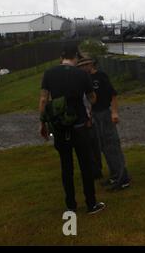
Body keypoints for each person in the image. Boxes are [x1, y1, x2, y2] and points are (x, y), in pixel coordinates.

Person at [39, 45, 106, 214]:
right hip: (80, 126)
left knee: (66, 167)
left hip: (60, 128)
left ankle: (70, 205)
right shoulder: (82, 74)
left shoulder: (49, 73)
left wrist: (42, 123)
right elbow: (92, 99)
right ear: (76, 56)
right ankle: (91, 203)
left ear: (62, 57)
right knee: (85, 165)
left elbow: (43, 100)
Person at [78, 57, 131, 191]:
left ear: (91, 64)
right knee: (103, 146)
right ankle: (114, 174)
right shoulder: (85, 80)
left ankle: (123, 178)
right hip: (95, 114)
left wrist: (114, 112)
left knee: (112, 144)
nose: (83, 68)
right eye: (80, 66)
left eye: (85, 65)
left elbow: (113, 95)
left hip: (105, 113)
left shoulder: (100, 76)